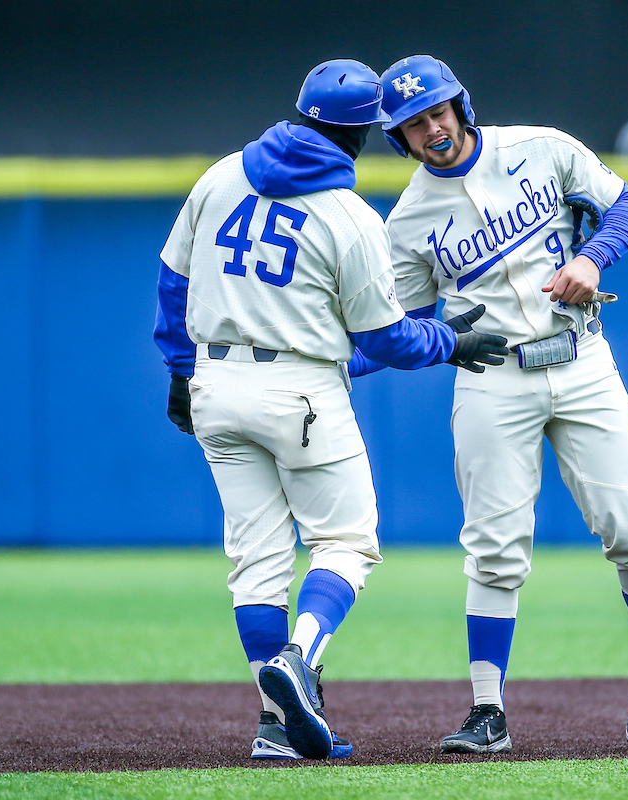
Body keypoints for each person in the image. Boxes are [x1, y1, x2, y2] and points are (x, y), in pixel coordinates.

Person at [153, 58, 508, 761]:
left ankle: (273, 729)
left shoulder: (221, 175)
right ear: (364, 136)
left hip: (215, 385)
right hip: (301, 391)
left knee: (256, 564)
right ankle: (300, 659)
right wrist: (454, 341)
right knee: (346, 544)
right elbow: (386, 339)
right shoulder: (349, 217)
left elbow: (173, 282)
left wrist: (178, 370)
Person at [377, 54, 628, 753]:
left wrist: (593, 258)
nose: (432, 130)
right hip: (491, 374)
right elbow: (404, 327)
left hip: (580, 358)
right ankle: (488, 711)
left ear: (460, 107)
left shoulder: (541, 148)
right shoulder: (408, 220)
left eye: (437, 113)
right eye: (414, 125)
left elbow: (626, 205)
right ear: (401, 139)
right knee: (494, 548)